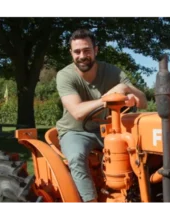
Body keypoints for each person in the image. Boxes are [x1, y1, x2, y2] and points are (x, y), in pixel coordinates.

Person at [55, 28, 148, 203]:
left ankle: (139, 195)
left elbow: (143, 101)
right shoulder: (65, 76)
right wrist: (111, 97)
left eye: (87, 50)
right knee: (76, 157)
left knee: (142, 149)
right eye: (77, 51)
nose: (82, 55)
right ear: (71, 53)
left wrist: (127, 93)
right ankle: (90, 201)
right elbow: (77, 112)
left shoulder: (113, 72)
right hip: (75, 131)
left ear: (95, 50)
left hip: (109, 129)